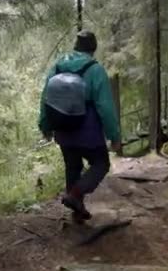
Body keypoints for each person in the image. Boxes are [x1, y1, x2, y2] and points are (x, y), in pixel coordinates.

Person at [38, 30, 121, 222]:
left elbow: (46, 97)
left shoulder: (58, 67)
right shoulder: (96, 70)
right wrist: (114, 136)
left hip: (62, 130)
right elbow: (105, 107)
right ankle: (75, 196)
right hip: (88, 131)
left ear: (76, 47)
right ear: (93, 49)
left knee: (72, 167)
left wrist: (45, 125)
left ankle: (77, 210)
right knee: (101, 164)